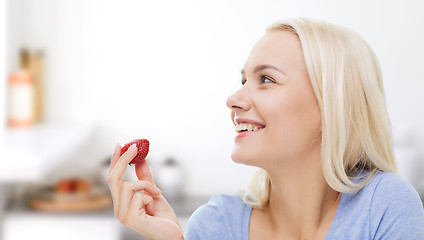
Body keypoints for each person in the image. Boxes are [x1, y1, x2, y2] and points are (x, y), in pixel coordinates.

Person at [108, 18, 424, 240]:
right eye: (244, 80)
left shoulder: (385, 206)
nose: (233, 99)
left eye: (267, 80)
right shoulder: (215, 224)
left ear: (333, 105)